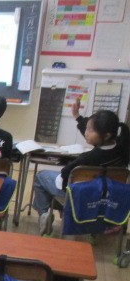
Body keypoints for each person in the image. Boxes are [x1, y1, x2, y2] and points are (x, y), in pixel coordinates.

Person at [34, 98, 130, 236]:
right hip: (108, 197)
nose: (86, 133)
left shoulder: (87, 158)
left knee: (41, 177)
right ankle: (63, 212)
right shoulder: (122, 149)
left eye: (90, 130)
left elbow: (65, 174)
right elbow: (94, 130)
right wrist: (77, 116)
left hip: (82, 195)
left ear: (106, 135)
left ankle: (44, 215)